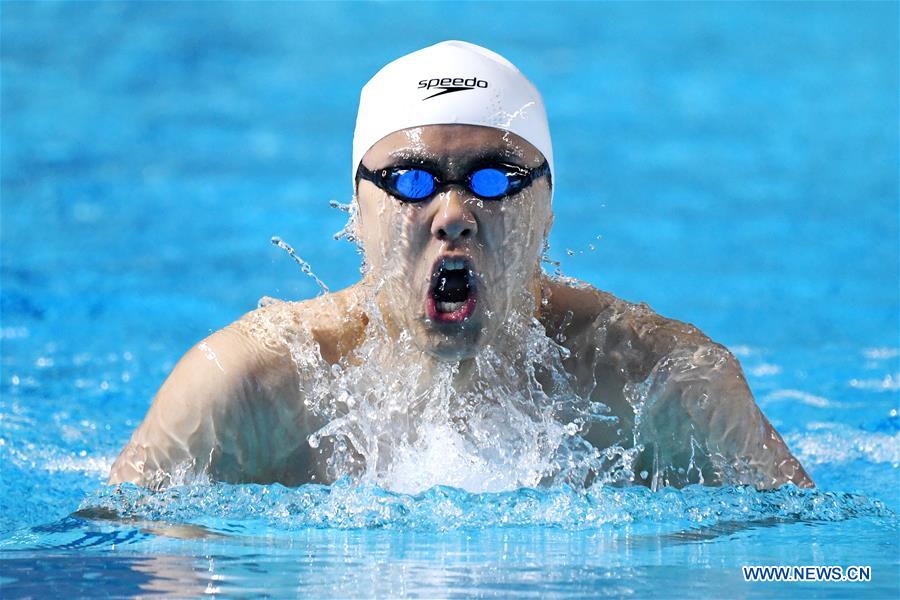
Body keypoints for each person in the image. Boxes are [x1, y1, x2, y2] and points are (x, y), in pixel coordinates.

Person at [109, 41, 812, 492]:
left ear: (548, 210)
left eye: (494, 179)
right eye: (412, 181)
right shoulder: (244, 390)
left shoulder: (664, 383)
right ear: (356, 213)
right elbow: (112, 557)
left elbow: (804, 565)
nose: (453, 213)